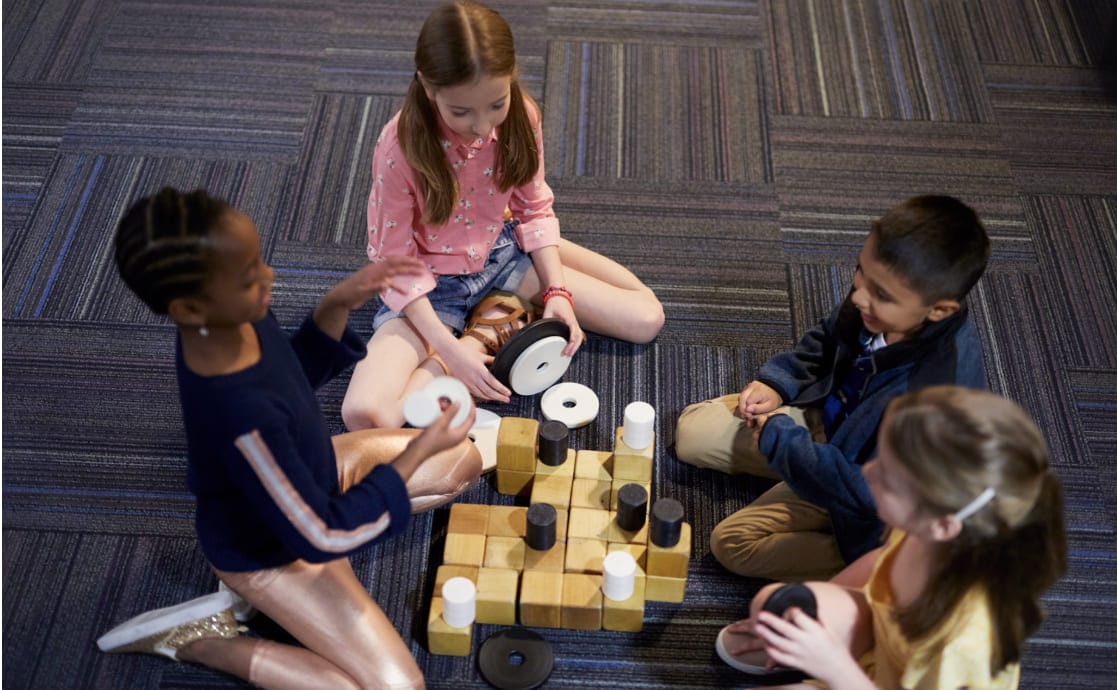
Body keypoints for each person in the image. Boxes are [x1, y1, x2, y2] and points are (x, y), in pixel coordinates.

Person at [97, 187, 482, 689]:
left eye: (258, 260)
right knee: (398, 688)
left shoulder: (231, 318)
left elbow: (291, 377)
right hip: (273, 552)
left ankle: (287, 604)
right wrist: (417, 450)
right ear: (189, 309)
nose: (269, 277)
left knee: (462, 459)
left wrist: (338, 302)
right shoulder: (241, 419)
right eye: (248, 276)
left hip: (308, 476)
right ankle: (209, 641)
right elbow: (322, 536)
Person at [342, 0, 664, 429]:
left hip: (501, 255)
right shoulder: (399, 148)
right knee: (366, 414)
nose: (482, 126)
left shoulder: (522, 116)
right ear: (427, 85)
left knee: (646, 319)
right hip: (428, 288)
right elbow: (392, 262)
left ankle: (515, 284)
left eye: (496, 103)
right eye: (461, 112)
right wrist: (449, 351)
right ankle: (481, 331)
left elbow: (534, 206)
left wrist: (558, 292)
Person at [675, 195, 990, 580]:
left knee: (732, 544)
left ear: (939, 310)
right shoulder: (878, 300)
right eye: (861, 272)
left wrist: (786, 445)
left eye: (880, 294)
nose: (859, 296)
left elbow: (870, 494)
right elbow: (826, 340)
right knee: (690, 433)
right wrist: (779, 383)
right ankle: (800, 467)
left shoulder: (932, 403)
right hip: (834, 430)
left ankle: (874, 571)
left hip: (872, 510)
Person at [716, 386, 1068, 689]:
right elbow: (879, 563)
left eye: (888, 477)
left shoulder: (967, 644)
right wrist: (815, 615)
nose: (868, 472)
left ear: (943, 524)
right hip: (881, 643)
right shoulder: (927, 528)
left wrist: (834, 666)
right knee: (776, 602)